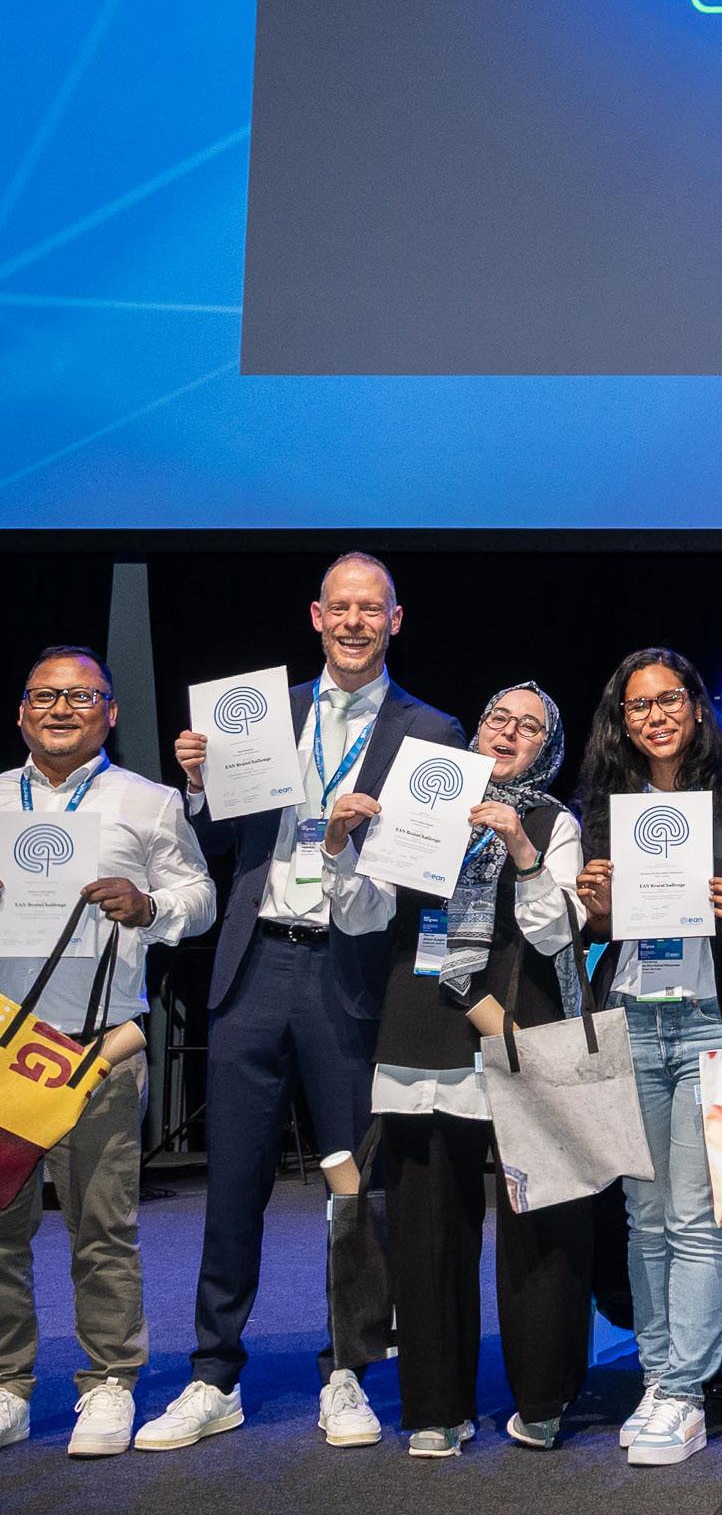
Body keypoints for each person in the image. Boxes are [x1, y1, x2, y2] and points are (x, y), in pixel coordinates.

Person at [142, 552, 463, 1454]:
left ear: (395, 621)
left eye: (372, 609)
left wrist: (365, 842)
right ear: (316, 617)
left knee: (355, 1182)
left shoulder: (430, 729)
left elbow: (429, 867)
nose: (355, 622)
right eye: (340, 608)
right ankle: (214, 1374)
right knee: (233, 1178)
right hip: (253, 966)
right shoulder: (259, 713)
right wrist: (199, 783)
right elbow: (215, 838)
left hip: (349, 970)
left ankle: (347, 1371)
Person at [326, 683, 599, 1456]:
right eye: (496, 718)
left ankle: (541, 1398)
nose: (507, 732)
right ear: (475, 732)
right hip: (423, 1029)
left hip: (518, 1032)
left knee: (536, 1226)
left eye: (528, 726)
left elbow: (559, 933)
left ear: (547, 747)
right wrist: (340, 845)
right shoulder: (422, 805)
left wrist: (521, 850)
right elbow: (361, 915)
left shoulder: (552, 821)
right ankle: (436, 1407)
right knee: (427, 1226)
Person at [0, 647, 215, 1458]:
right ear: (21, 712)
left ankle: (109, 1382)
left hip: (99, 1048)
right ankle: (8, 1385)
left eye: (81, 696)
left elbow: (201, 896)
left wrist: (148, 904)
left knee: (102, 1229)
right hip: (3, 1049)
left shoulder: (148, 801)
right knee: (0, 1231)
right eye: (44, 696)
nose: (61, 708)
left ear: (112, 713)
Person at [572, 648, 722, 1468]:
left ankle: (686, 1392)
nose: (655, 716)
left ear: (697, 707)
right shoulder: (606, 810)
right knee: (643, 1218)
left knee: (696, 1217)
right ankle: (656, 1378)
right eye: (638, 706)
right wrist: (597, 909)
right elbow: (596, 931)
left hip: (708, 1020)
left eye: (668, 699)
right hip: (632, 1018)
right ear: (623, 721)